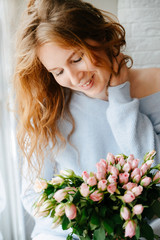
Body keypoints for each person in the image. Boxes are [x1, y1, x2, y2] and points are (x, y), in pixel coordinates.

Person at [13, 0, 160, 239]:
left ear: (101, 37)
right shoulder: (49, 108)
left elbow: (154, 174)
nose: (73, 77)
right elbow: (33, 197)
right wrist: (92, 227)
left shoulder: (155, 85)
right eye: (58, 71)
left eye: (77, 58)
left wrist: (120, 97)